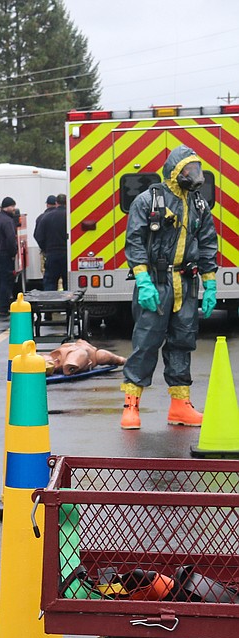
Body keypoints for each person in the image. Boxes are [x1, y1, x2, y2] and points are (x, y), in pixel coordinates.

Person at [119, 144, 217, 429]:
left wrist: (210, 284)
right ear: (175, 170)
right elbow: (135, 240)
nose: (194, 175)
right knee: (145, 343)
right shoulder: (147, 201)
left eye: (196, 169)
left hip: (186, 284)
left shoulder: (199, 204)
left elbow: (208, 244)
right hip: (157, 283)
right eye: (188, 169)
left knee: (182, 343)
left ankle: (180, 406)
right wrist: (143, 280)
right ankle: (131, 406)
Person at [34, 193, 67, 291]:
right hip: (67, 254)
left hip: (52, 254)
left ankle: (51, 303)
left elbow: (38, 236)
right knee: (68, 281)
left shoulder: (45, 217)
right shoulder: (70, 216)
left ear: (57, 203)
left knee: (50, 281)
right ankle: (69, 303)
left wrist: (45, 249)